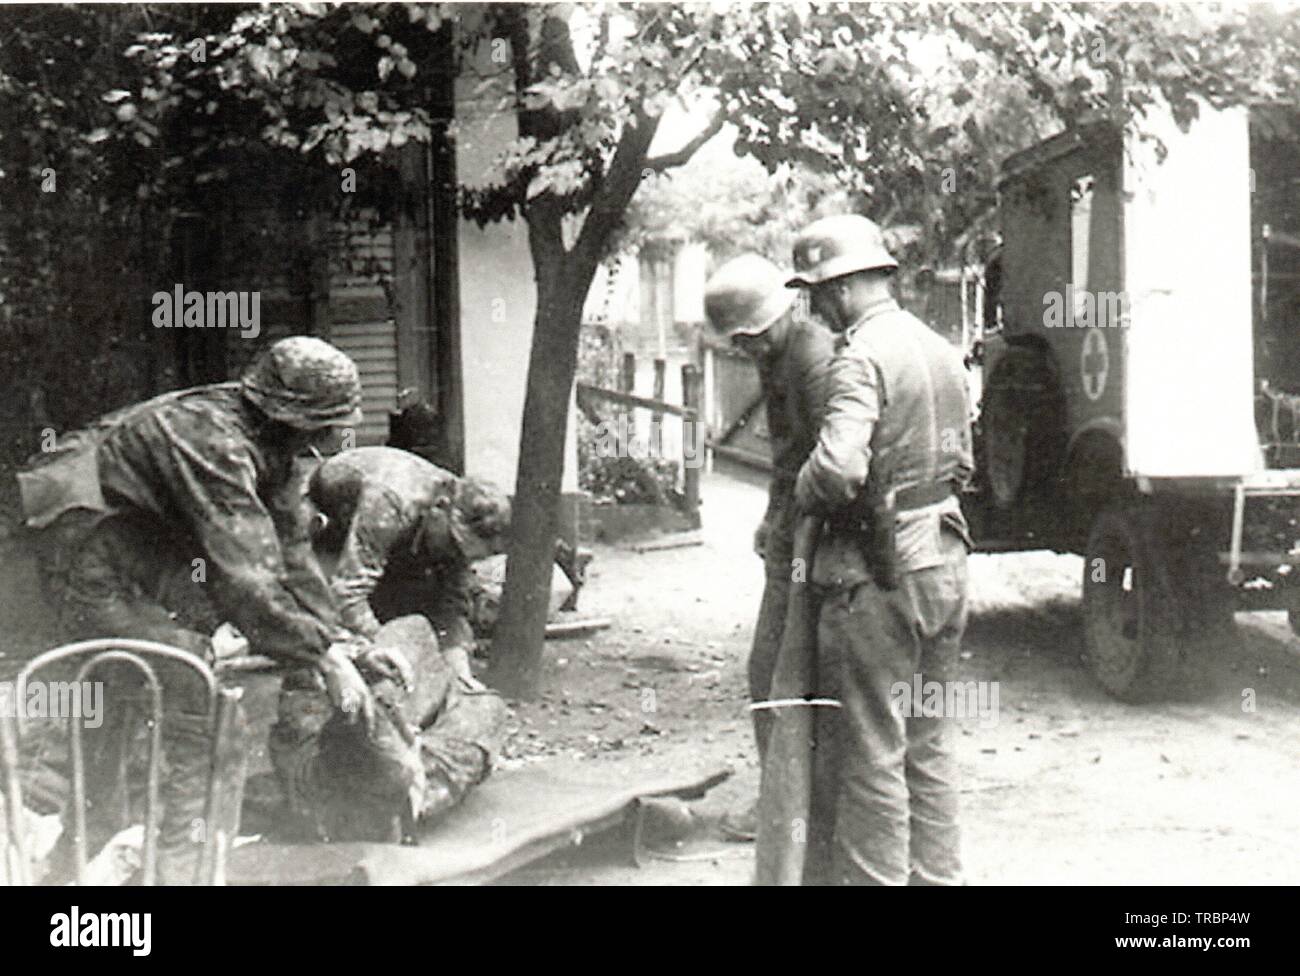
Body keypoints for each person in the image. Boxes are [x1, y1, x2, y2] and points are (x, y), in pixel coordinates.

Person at [19, 336, 389, 882]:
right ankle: (172, 867)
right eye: (328, 424)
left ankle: (77, 860)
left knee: (135, 696)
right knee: (185, 684)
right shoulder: (209, 439)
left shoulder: (274, 447)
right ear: (292, 416)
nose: (336, 437)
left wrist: (343, 646)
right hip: (79, 544)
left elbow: (289, 554)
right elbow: (245, 576)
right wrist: (323, 659)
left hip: (131, 545)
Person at [787, 214, 974, 886]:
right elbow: (965, 464)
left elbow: (839, 468)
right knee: (928, 747)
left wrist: (801, 494)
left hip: (878, 570)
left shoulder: (859, 357)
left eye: (815, 292)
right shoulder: (940, 347)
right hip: (945, 558)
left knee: (871, 750)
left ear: (837, 290)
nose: (814, 306)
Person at [703, 254, 835, 841]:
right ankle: (792, 799)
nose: (747, 352)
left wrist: (797, 531)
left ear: (770, 321)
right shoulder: (782, 354)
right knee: (776, 670)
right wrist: (771, 517)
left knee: (778, 670)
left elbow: (830, 461)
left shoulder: (811, 358)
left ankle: (790, 809)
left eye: (750, 340)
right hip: (794, 532)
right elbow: (787, 455)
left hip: (817, 538)